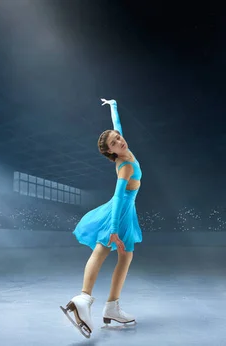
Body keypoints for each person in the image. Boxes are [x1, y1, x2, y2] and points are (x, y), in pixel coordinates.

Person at [60, 98, 142, 338]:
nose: (120, 140)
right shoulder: (125, 166)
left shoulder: (125, 151)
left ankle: (109, 306)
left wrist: (114, 106)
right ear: (110, 152)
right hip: (119, 213)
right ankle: (85, 300)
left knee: (124, 255)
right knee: (103, 249)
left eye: (118, 137)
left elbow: (117, 126)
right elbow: (118, 197)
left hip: (126, 212)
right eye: (114, 142)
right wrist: (114, 228)